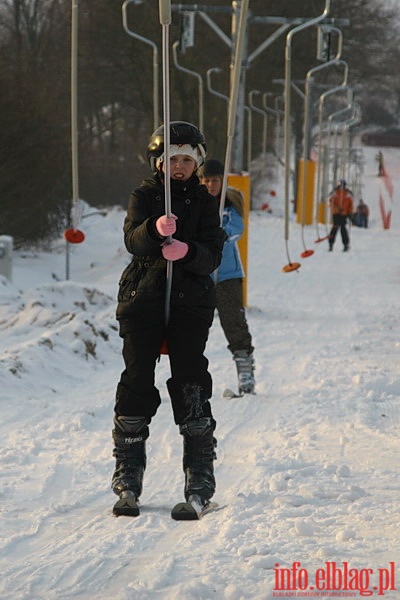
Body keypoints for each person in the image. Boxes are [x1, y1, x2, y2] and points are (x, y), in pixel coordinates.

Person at [111, 121, 226, 516]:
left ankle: (199, 476)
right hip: (143, 297)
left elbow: (213, 252)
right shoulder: (144, 195)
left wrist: (189, 252)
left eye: (186, 160)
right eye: (172, 159)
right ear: (158, 162)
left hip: (190, 302)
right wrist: (152, 229)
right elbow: (131, 239)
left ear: (197, 163)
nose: (179, 167)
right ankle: (128, 473)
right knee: (137, 380)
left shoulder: (206, 202)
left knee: (191, 379)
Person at [199, 159, 255, 395]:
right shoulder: (193, 204)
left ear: (222, 182)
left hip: (226, 275)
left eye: (215, 180)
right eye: (207, 180)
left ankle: (245, 371)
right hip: (199, 273)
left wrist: (217, 231)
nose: (211, 185)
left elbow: (235, 230)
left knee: (233, 322)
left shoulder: (229, 206)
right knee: (193, 327)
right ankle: (190, 379)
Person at [328, 179, 354, 252]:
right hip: (336, 213)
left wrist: (350, 213)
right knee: (335, 228)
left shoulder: (348, 194)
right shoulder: (335, 192)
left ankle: (346, 244)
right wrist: (336, 208)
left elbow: (350, 204)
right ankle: (331, 243)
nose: (341, 187)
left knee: (343, 229)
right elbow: (330, 202)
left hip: (344, 214)